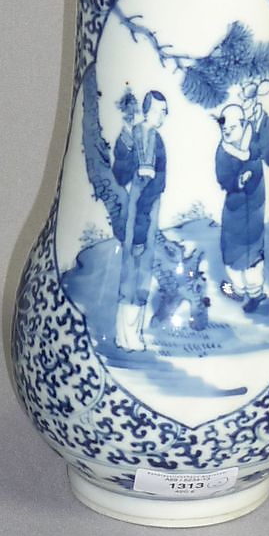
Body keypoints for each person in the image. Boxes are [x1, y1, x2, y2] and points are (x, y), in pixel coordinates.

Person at [112, 89, 168, 350]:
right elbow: (120, 175)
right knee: (132, 266)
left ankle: (134, 333)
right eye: (159, 110)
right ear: (147, 111)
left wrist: (149, 194)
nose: (163, 115)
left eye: (165, 111)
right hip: (136, 205)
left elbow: (161, 178)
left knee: (144, 264)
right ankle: (124, 333)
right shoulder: (132, 135)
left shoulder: (158, 140)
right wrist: (124, 146)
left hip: (150, 204)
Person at [215, 98, 269, 313]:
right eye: (224, 129)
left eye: (232, 128)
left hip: (254, 207)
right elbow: (222, 176)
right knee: (230, 248)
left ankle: (255, 292)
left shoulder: (253, 145)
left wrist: (247, 178)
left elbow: (263, 162)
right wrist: (236, 182)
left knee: (252, 251)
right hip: (233, 208)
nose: (227, 132)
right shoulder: (223, 150)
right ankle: (238, 289)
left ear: (242, 125)